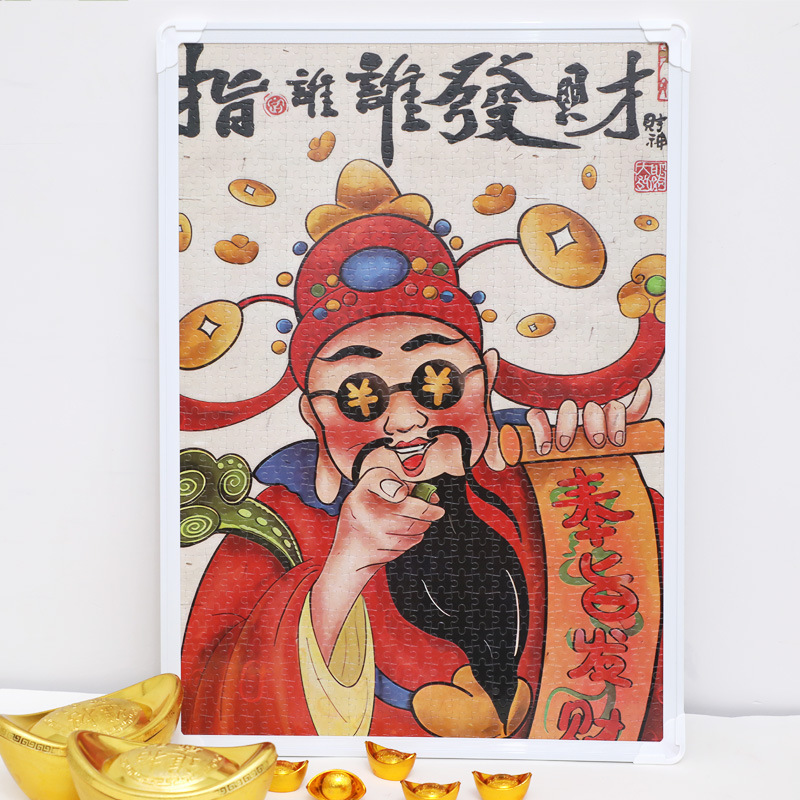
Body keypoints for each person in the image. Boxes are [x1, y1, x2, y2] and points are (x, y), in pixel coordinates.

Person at [181, 163, 652, 738]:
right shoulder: (275, 527)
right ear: (314, 414)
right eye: (359, 395)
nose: (405, 421)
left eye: (437, 381)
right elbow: (213, 704)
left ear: (487, 378)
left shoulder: (546, 480)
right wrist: (345, 569)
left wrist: (606, 478)